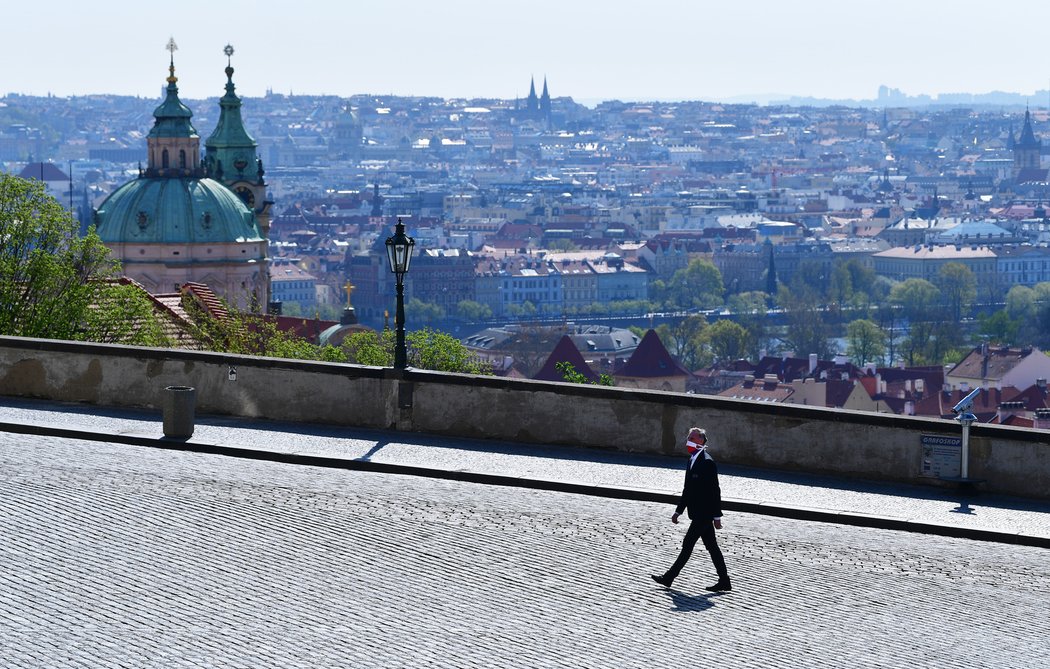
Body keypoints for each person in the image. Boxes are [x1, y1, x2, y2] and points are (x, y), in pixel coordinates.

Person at [651, 427, 732, 591]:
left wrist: (717, 516)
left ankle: (669, 577)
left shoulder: (707, 462)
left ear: (701, 441)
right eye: (689, 438)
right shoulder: (691, 460)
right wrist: (678, 510)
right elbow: (687, 489)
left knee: (687, 545)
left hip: (704, 514)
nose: (689, 441)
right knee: (712, 547)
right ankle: (724, 580)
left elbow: (715, 491)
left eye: (693, 439)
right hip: (697, 513)